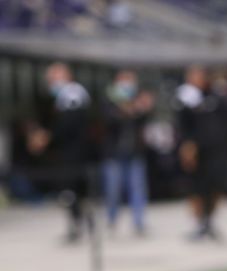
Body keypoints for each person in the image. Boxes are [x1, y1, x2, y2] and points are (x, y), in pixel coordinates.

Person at [175, 66, 227, 241]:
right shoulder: (191, 99)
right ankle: (206, 225)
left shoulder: (218, 97)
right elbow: (187, 126)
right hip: (203, 154)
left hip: (220, 153)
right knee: (204, 189)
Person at [30, 62, 91, 242]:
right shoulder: (64, 96)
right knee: (70, 191)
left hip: (74, 152)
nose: (51, 83)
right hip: (68, 151)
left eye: (53, 78)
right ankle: (77, 223)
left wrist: (47, 137)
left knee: (70, 190)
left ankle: (79, 224)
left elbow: (69, 124)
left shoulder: (73, 94)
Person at [101, 69, 154, 236]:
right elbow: (108, 121)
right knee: (113, 190)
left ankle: (138, 222)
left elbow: (143, 122)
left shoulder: (138, 100)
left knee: (137, 188)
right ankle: (112, 219)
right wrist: (126, 110)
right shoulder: (108, 100)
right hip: (114, 154)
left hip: (134, 153)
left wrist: (142, 109)